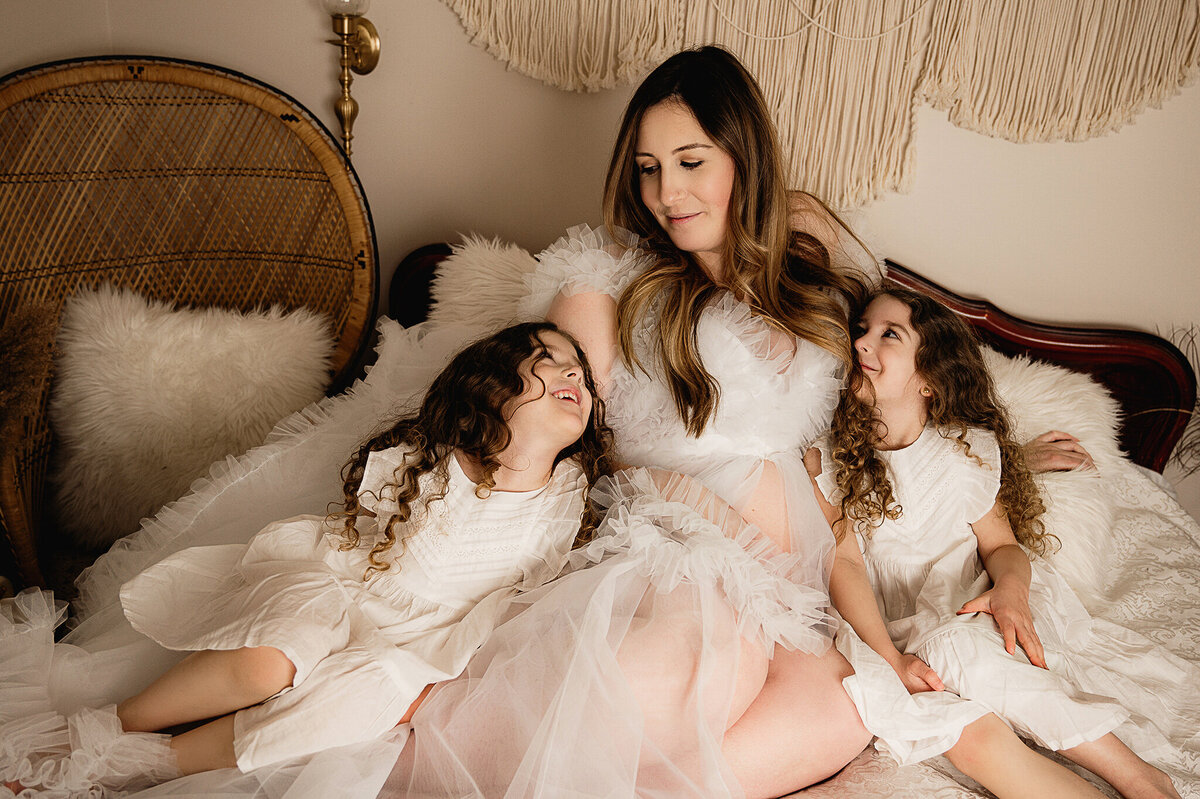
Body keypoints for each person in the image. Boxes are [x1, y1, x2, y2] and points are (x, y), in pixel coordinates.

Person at [386, 45, 878, 798]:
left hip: (789, 587)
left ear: (744, 157)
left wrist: (1004, 454)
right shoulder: (615, 279)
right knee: (694, 662)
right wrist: (700, 507)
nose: (666, 193)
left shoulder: (807, 254)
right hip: (671, 543)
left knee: (847, 707)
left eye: (690, 162)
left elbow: (889, 400)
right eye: (648, 168)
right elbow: (570, 443)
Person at [0, 322, 613, 795]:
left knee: (363, 694)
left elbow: (525, 596)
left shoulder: (567, 499)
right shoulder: (436, 459)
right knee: (276, 655)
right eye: (548, 360)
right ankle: (107, 729)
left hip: (418, 639)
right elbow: (360, 543)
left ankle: (142, 765)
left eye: (582, 375)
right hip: (341, 585)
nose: (574, 376)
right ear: (492, 389)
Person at [810, 288, 1184, 798]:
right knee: (957, 729)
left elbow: (1002, 546)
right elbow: (845, 565)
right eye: (862, 329)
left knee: (957, 647)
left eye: (888, 334)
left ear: (929, 380)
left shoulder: (966, 454)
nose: (861, 342)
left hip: (972, 601)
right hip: (884, 625)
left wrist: (1010, 588)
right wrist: (890, 659)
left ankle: (1140, 777)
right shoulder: (831, 461)